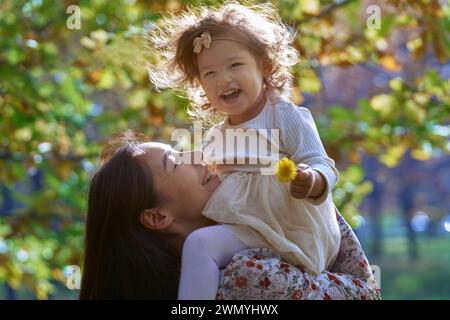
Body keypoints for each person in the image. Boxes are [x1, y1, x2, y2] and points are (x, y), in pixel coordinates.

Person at [148, 2, 341, 299]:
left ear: (264, 65)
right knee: (199, 245)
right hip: (251, 229)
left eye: (235, 65)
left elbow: (321, 162)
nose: (223, 79)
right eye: (209, 73)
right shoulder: (215, 137)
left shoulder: (282, 114)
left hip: (290, 228)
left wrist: (313, 180)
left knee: (201, 245)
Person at [79, 130, 380, 300]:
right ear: (157, 217)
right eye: (175, 162)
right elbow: (366, 295)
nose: (197, 157)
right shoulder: (246, 275)